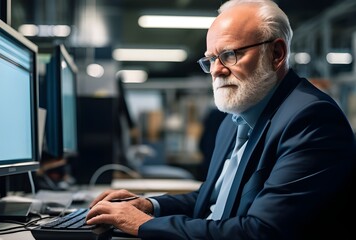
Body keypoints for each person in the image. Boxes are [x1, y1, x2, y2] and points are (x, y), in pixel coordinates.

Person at [86, 0, 356, 239]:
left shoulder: (311, 119)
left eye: (229, 54)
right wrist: (149, 206)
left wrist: (144, 226)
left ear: (276, 54)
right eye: (211, 59)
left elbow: (261, 231)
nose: (216, 70)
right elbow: (212, 201)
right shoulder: (233, 119)